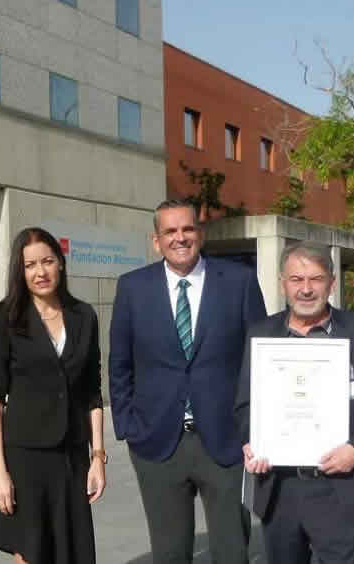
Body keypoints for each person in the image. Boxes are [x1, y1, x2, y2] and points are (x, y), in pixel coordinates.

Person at [109, 199, 266, 564]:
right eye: (170, 231)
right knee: (170, 554)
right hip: (157, 444)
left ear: (201, 233)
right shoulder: (132, 288)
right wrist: (129, 427)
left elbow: (256, 359)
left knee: (232, 551)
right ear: (156, 241)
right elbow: (120, 364)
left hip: (226, 444)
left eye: (187, 229)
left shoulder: (239, 282)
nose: (180, 238)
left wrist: (253, 430)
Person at [235, 243, 354, 564]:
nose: (306, 289)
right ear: (283, 284)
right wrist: (254, 443)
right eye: (296, 279)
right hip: (280, 488)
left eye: (316, 279)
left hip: (342, 488)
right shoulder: (261, 334)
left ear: (332, 283)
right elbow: (244, 405)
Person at [0, 227, 106, 564]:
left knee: (74, 550)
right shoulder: (5, 317)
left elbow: (92, 392)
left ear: (60, 264)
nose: (40, 272)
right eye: (30, 265)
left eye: (47, 261)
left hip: (72, 456)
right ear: (20, 272)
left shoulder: (83, 316)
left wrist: (98, 458)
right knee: (31, 551)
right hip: (25, 458)